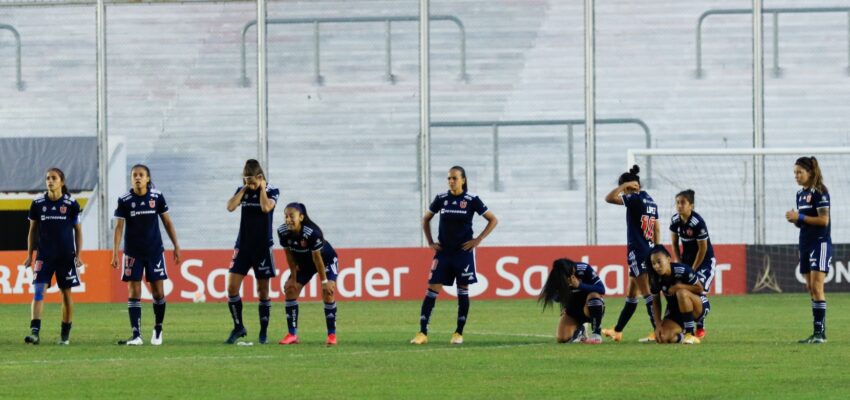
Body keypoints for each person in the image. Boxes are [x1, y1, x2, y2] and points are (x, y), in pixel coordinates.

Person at [410, 166, 498, 345]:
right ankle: (422, 332)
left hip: (463, 253)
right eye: (449, 178)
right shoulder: (441, 199)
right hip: (444, 253)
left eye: (454, 178)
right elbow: (426, 219)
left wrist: (478, 239)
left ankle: (458, 332)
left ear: (463, 180)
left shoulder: (472, 200)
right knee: (432, 289)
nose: (451, 181)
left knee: (462, 291)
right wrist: (430, 242)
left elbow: (493, 219)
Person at [111, 164, 181, 346]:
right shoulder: (124, 200)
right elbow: (119, 227)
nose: (137, 178)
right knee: (134, 290)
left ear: (148, 178)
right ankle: (136, 335)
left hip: (154, 251)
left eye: (141, 175)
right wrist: (115, 252)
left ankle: (158, 328)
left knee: (158, 291)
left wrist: (176, 245)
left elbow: (167, 222)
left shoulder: (157, 197)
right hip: (132, 253)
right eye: (134, 175)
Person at [23, 168, 83, 345]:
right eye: (48, 178)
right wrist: (29, 255)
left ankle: (65, 335)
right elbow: (32, 231)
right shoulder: (38, 203)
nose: (50, 181)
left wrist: (78, 255)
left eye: (54, 178)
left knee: (65, 295)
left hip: (66, 256)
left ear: (61, 182)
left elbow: (78, 231)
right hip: (44, 256)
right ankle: (35, 333)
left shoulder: (72, 204)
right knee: (39, 291)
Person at [601, 165, 660, 343]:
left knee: (648, 295)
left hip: (638, 252)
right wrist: (657, 250)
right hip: (649, 251)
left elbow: (609, 198)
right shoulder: (650, 200)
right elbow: (656, 227)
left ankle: (659, 331)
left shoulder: (634, 199)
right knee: (632, 295)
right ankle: (617, 330)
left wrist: (623, 187)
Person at [224, 159, 280, 344]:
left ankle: (263, 332)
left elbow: (265, 207)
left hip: (262, 248)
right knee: (232, 287)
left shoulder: (272, 190)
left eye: (253, 181)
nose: (250, 184)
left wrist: (262, 188)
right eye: (246, 180)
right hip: (243, 246)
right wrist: (244, 189)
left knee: (262, 291)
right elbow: (230, 207)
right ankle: (238, 326)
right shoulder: (243, 191)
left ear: (260, 177)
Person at [277, 203, 339, 346]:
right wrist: (293, 277)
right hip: (304, 263)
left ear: (301, 217)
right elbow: (289, 255)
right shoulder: (282, 231)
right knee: (291, 290)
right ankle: (292, 335)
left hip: (326, 261)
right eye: (285, 216)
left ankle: (331, 335)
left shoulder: (312, 233)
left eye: (292, 216)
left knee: (328, 293)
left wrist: (324, 282)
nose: (288, 220)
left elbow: (317, 259)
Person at [785, 156, 831, 344]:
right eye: (794, 172)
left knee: (817, 287)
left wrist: (800, 217)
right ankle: (817, 332)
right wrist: (795, 220)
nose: (796, 176)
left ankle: (820, 334)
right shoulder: (800, 194)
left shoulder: (820, 192)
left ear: (810, 172)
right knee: (810, 287)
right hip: (804, 242)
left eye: (799, 172)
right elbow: (803, 223)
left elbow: (823, 221)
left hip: (819, 243)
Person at [669, 189, 715, 338]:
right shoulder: (675, 220)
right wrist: (679, 262)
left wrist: (693, 270)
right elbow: (675, 243)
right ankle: (683, 324)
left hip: (704, 262)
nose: (679, 206)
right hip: (687, 261)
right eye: (677, 202)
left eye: (683, 202)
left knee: (697, 289)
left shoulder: (697, 223)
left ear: (691, 206)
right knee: (682, 291)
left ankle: (700, 325)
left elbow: (703, 248)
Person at [647, 246, 709, 345]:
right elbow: (656, 302)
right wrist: (658, 325)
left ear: (668, 259)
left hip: (698, 306)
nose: (656, 266)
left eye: (659, 262)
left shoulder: (681, 270)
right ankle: (683, 337)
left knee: (681, 293)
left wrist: (679, 286)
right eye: (653, 263)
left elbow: (700, 289)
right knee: (662, 338)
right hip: (676, 311)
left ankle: (690, 333)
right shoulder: (654, 278)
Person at [538, 258, 606, 344]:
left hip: (589, 308)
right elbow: (555, 298)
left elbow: (601, 289)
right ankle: (580, 331)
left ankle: (596, 335)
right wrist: (563, 291)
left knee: (594, 295)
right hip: (573, 310)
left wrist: (579, 285)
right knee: (562, 338)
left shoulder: (584, 268)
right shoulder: (557, 277)